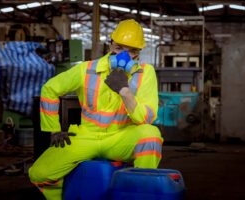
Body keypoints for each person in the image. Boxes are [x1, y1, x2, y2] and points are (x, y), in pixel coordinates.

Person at [28, 19, 163, 200]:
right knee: (38, 173)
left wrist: (125, 92)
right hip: (86, 137)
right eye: (120, 48)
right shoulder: (87, 69)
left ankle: (138, 192)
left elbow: (146, 118)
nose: (124, 55)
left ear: (138, 54)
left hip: (121, 137)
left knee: (151, 135)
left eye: (131, 51)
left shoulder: (145, 73)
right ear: (111, 45)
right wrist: (53, 129)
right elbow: (50, 89)